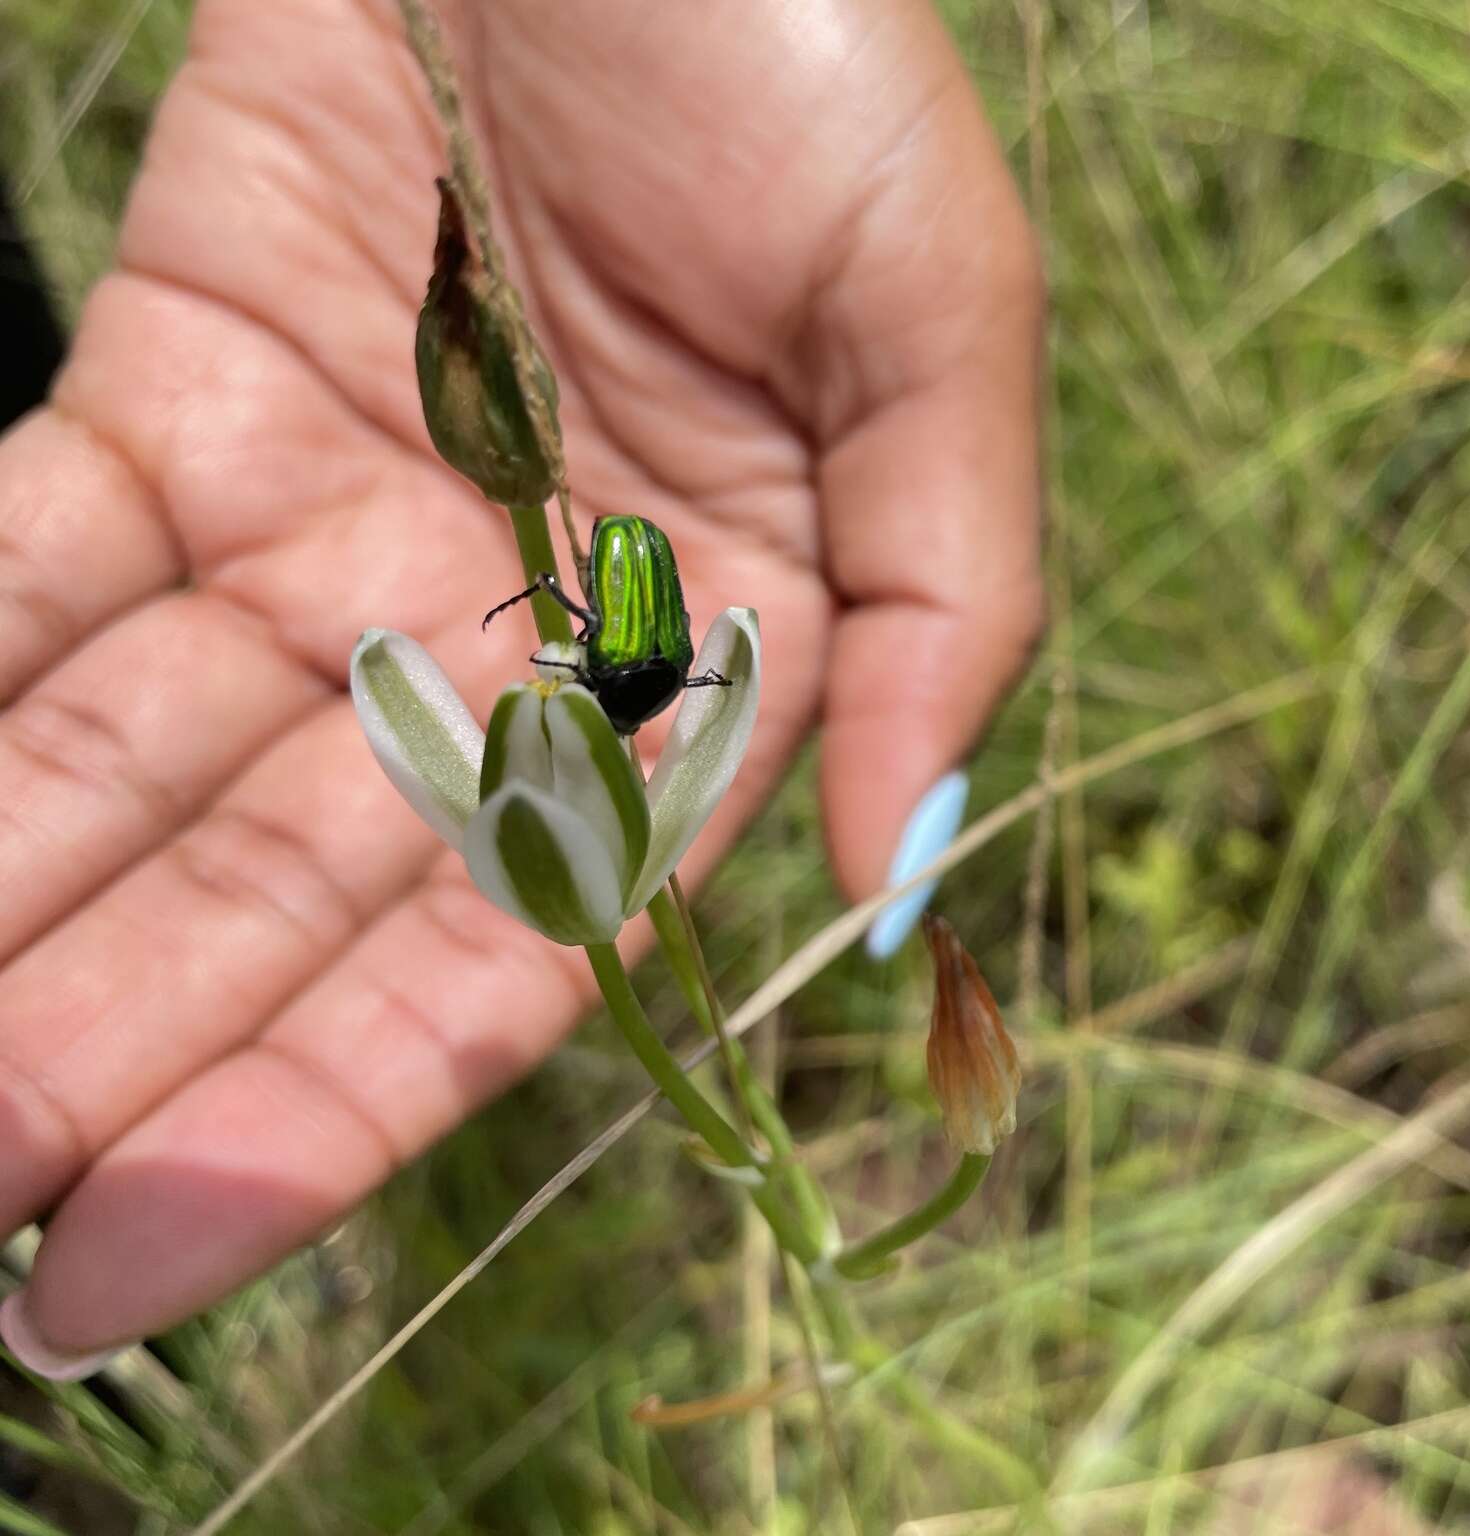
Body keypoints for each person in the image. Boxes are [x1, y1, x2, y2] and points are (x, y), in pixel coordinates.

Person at [0, 0, 1043, 1377]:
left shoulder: (582, 786)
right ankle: (182, 1373)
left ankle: (187, 1372)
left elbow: (574, 687)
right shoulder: (576, 785)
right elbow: (494, 687)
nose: (557, 687)